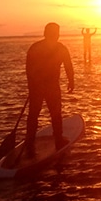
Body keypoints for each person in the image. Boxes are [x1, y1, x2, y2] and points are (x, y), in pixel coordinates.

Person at [24, 22, 75, 159]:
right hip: (40, 86)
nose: (56, 35)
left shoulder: (59, 48)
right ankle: (30, 142)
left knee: (54, 113)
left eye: (56, 33)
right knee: (37, 114)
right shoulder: (36, 48)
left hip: (49, 86)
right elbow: (29, 69)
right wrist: (33, 85)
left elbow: (68, 66)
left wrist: (71, 81)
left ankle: (56, 139)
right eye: (54, 33)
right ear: (46, 33)